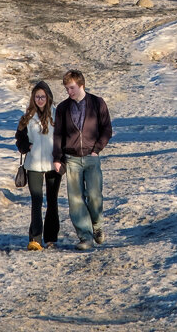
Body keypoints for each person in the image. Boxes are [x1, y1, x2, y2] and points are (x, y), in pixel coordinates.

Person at [52, 69, 113, 251]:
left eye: (71, 88)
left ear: (81, 85)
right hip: (71, 159)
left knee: (94, 196)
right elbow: (58, 134)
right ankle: (85, 237)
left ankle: (97, 225)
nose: (69, 92)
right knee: (75, 200)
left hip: (91, 157)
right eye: (66, 89)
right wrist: (57, 158)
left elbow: (107, 129)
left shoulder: (97, 103)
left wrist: (97, 149)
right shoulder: (63, 108)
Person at [15, 81, 62, 250]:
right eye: (37, 97)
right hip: (33, 164)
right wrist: (27, 146)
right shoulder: (27, 117)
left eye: (43, 96)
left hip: (53, 164)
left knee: (52, 200)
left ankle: (51, 238)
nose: (40, 100)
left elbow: (63, 138)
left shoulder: (57, 116)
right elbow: (19, 138)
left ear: (48, 98)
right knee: (36, 201)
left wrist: (61, 158)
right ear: (33, 98)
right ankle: (35, 238)